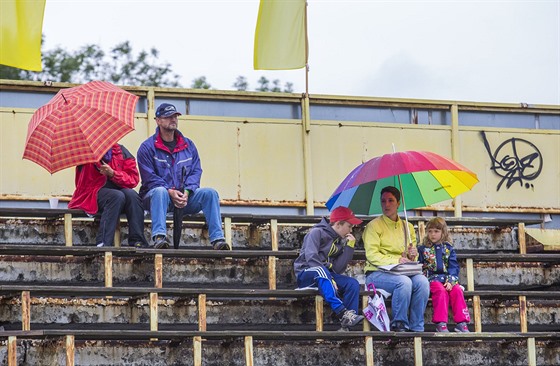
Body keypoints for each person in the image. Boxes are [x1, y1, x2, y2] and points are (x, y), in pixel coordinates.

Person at [137, 103, 229, 250]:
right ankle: (159, 238)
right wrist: (170, 191)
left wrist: (187, 192)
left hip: (183, 197)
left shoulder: (188, 145)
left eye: (175, 116)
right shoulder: (147, 147)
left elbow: (196, 171)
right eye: (168, 117)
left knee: (210, 193)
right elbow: (149, 178)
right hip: (159, 199)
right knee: (160, 191)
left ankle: (218, 240)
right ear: (158, 120)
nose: (173, 119)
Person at [362, 186, 429, 332]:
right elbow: (372, 255)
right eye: (383, 201)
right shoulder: (373, 226)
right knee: (403, 283)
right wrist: (396, 260)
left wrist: (413, 254)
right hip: (376, 273)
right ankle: (399, 324)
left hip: (402, 271)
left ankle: (417, 326)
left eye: (391, 200)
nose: (386, 205)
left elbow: (412, 257)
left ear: (398, 203)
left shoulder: (408, 226)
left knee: (423, 282)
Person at [293, 206, 365, 331]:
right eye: (349, 226)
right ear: (338, 224)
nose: (351, 230)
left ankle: (347, 326)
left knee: (352, 283)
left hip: (325, 276)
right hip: (306, 274)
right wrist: (329, 278)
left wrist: (349, 247)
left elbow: (338, 268)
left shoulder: (338, 242)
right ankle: (342, 312)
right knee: (321, 271)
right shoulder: (316, 232)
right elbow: (311, 258)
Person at [68, 144, 148, 248]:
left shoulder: (121, 151)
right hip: (91, 194)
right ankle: (104, 243)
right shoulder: (85, 153)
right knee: (116, 196)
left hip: (119, 193)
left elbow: (133, 179)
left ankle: (138, 241)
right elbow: (83, 183)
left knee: (132, 195)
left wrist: (113, 174)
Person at [418, 217, 470, 333]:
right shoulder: (423, 249)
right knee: (440, 291)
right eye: (430, 231)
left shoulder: (448, 248)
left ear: (443, 232)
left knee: (457, 290)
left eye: (436, 231)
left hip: (448, 279)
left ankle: (462, 323)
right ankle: (441, 323)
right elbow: (420, 264)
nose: (433, 234)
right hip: (431, 280)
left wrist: (451, 280)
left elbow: (453, 266)